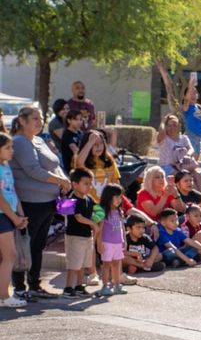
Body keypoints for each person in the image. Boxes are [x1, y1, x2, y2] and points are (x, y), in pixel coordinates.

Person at [11, 107, 72, 301]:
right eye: (34, 118)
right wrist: (60, 182)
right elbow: (33, 170)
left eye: (41, 118)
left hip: (48, 202)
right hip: (30, 203)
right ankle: (20, 287)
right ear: (22, 120)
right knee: (24, 246)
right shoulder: (20, 142)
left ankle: (35, 284)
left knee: (38, 246)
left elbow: (55, 164)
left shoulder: (38, 140)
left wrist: (64, 179)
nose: (39, 122)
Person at [0, 133, 28, 308]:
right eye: (7, 148)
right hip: (2, 216)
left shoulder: (6, 166)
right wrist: (14, 218)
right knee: (10, 255)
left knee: (7, 255)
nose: (12, 151)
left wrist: (20, 215)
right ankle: (4, 296)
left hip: (9, 215)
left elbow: (12, 192)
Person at [62, 168, 97, 298]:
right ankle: (68, 287)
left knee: (83, 263)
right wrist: (93, 224)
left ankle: (79, 286)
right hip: (74, 236)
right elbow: (78, 217)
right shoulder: (71, 199)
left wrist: (97, 221)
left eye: (90, 183)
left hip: (87, 236)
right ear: (75, 184)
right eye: (85, 183)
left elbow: (96, 212)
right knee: (73, 264)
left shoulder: (89, 199)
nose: (89, 186)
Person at [97, 185, 129, 297]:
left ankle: (117, 285)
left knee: (116, 264)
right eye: (116, 196)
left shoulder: (119, 211)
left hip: (118, 242)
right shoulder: (102, 211)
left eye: (120, 197)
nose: (119, 199)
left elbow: (122, 227)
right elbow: (99, 229)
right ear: (108, 197)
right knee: (106, 264)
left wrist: (124, 240)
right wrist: (99, 243)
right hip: (107, 242)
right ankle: (105, 286)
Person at [77, 131, 120, 200]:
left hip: (107, 203)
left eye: (101, 143)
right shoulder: (81, 159)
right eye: (94, 144)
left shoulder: (109, 159)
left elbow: (115, 182)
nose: (98, 146)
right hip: (90, 204)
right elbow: (79, 163)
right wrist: (90, 142)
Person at [182, 81, 201, 158]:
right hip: (191, 136)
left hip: (199, 137)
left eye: (195, 92)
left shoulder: (198, 107)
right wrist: (190, 86)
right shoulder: (186, 107)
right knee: (191, 159)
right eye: (190, 93)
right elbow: (186, 100)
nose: (193, 95)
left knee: (195, 160)